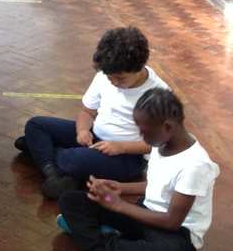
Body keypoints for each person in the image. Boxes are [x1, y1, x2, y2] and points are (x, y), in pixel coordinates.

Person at [57, 88, 218, 251]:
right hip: (145, 214)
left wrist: (118, 205)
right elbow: (159, 186)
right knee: (71, 200)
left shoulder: (195, 166)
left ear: (167, 127)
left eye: (144, 131)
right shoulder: (162, 142)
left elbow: (172, 221)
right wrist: (120, 188)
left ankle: (93, 234)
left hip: (176, 235)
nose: (141, 136)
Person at [16, 26, 169, 199]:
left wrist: (121, 147)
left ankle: (45, 154)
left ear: (139, 67)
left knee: (72, 160)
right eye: (109, 77)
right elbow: (88, 111)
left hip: (126, 156)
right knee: (36, 125)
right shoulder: (105, 75)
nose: (113, 83)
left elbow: (160, 143)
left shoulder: (159, 95)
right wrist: (82, 130)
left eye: (120, 78)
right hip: (95, 137)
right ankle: (53, 170)